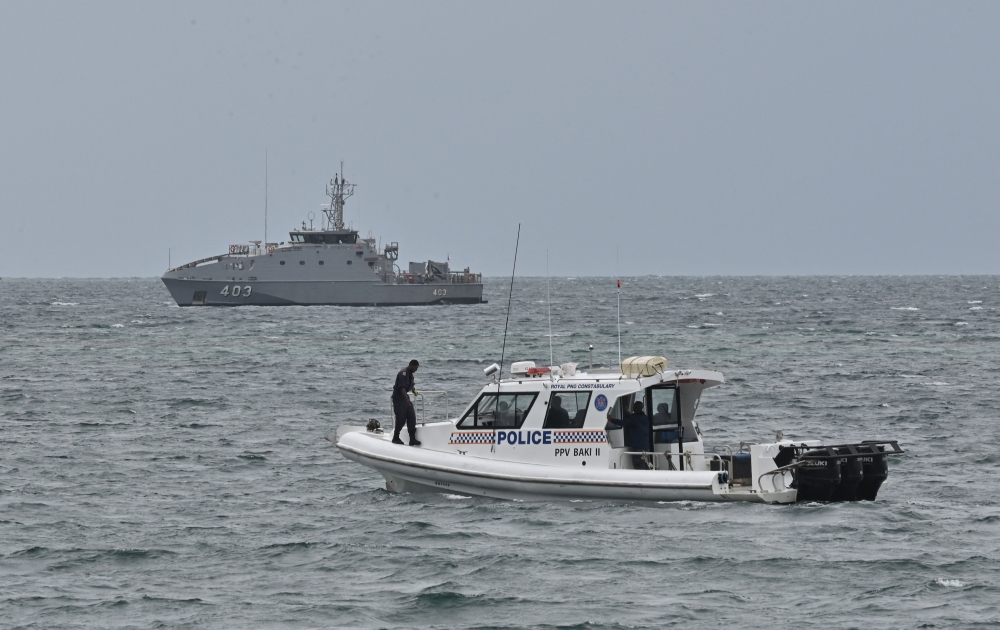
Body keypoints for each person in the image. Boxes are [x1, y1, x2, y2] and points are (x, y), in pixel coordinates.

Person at [607, 400, 651, 470]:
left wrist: (611, 419)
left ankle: (641, 479)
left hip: (638, 446)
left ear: (635, 408)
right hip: (645, 445)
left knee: (639, 464)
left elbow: (624, 422)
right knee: (645, 463)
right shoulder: (645, 417)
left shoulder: (634, 418)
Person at [391, 360, 421, 446]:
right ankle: (395, 437)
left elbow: (410, 385)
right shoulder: (403, 373)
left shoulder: (410, 375)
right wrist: (407, 401)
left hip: (405, 398)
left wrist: (414, 390)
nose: (416, 369)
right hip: (399, 398)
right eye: (416, 367)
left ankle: (412, 439)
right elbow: (402, 388)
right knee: (401, 418)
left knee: (411, 417)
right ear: (411, 365)